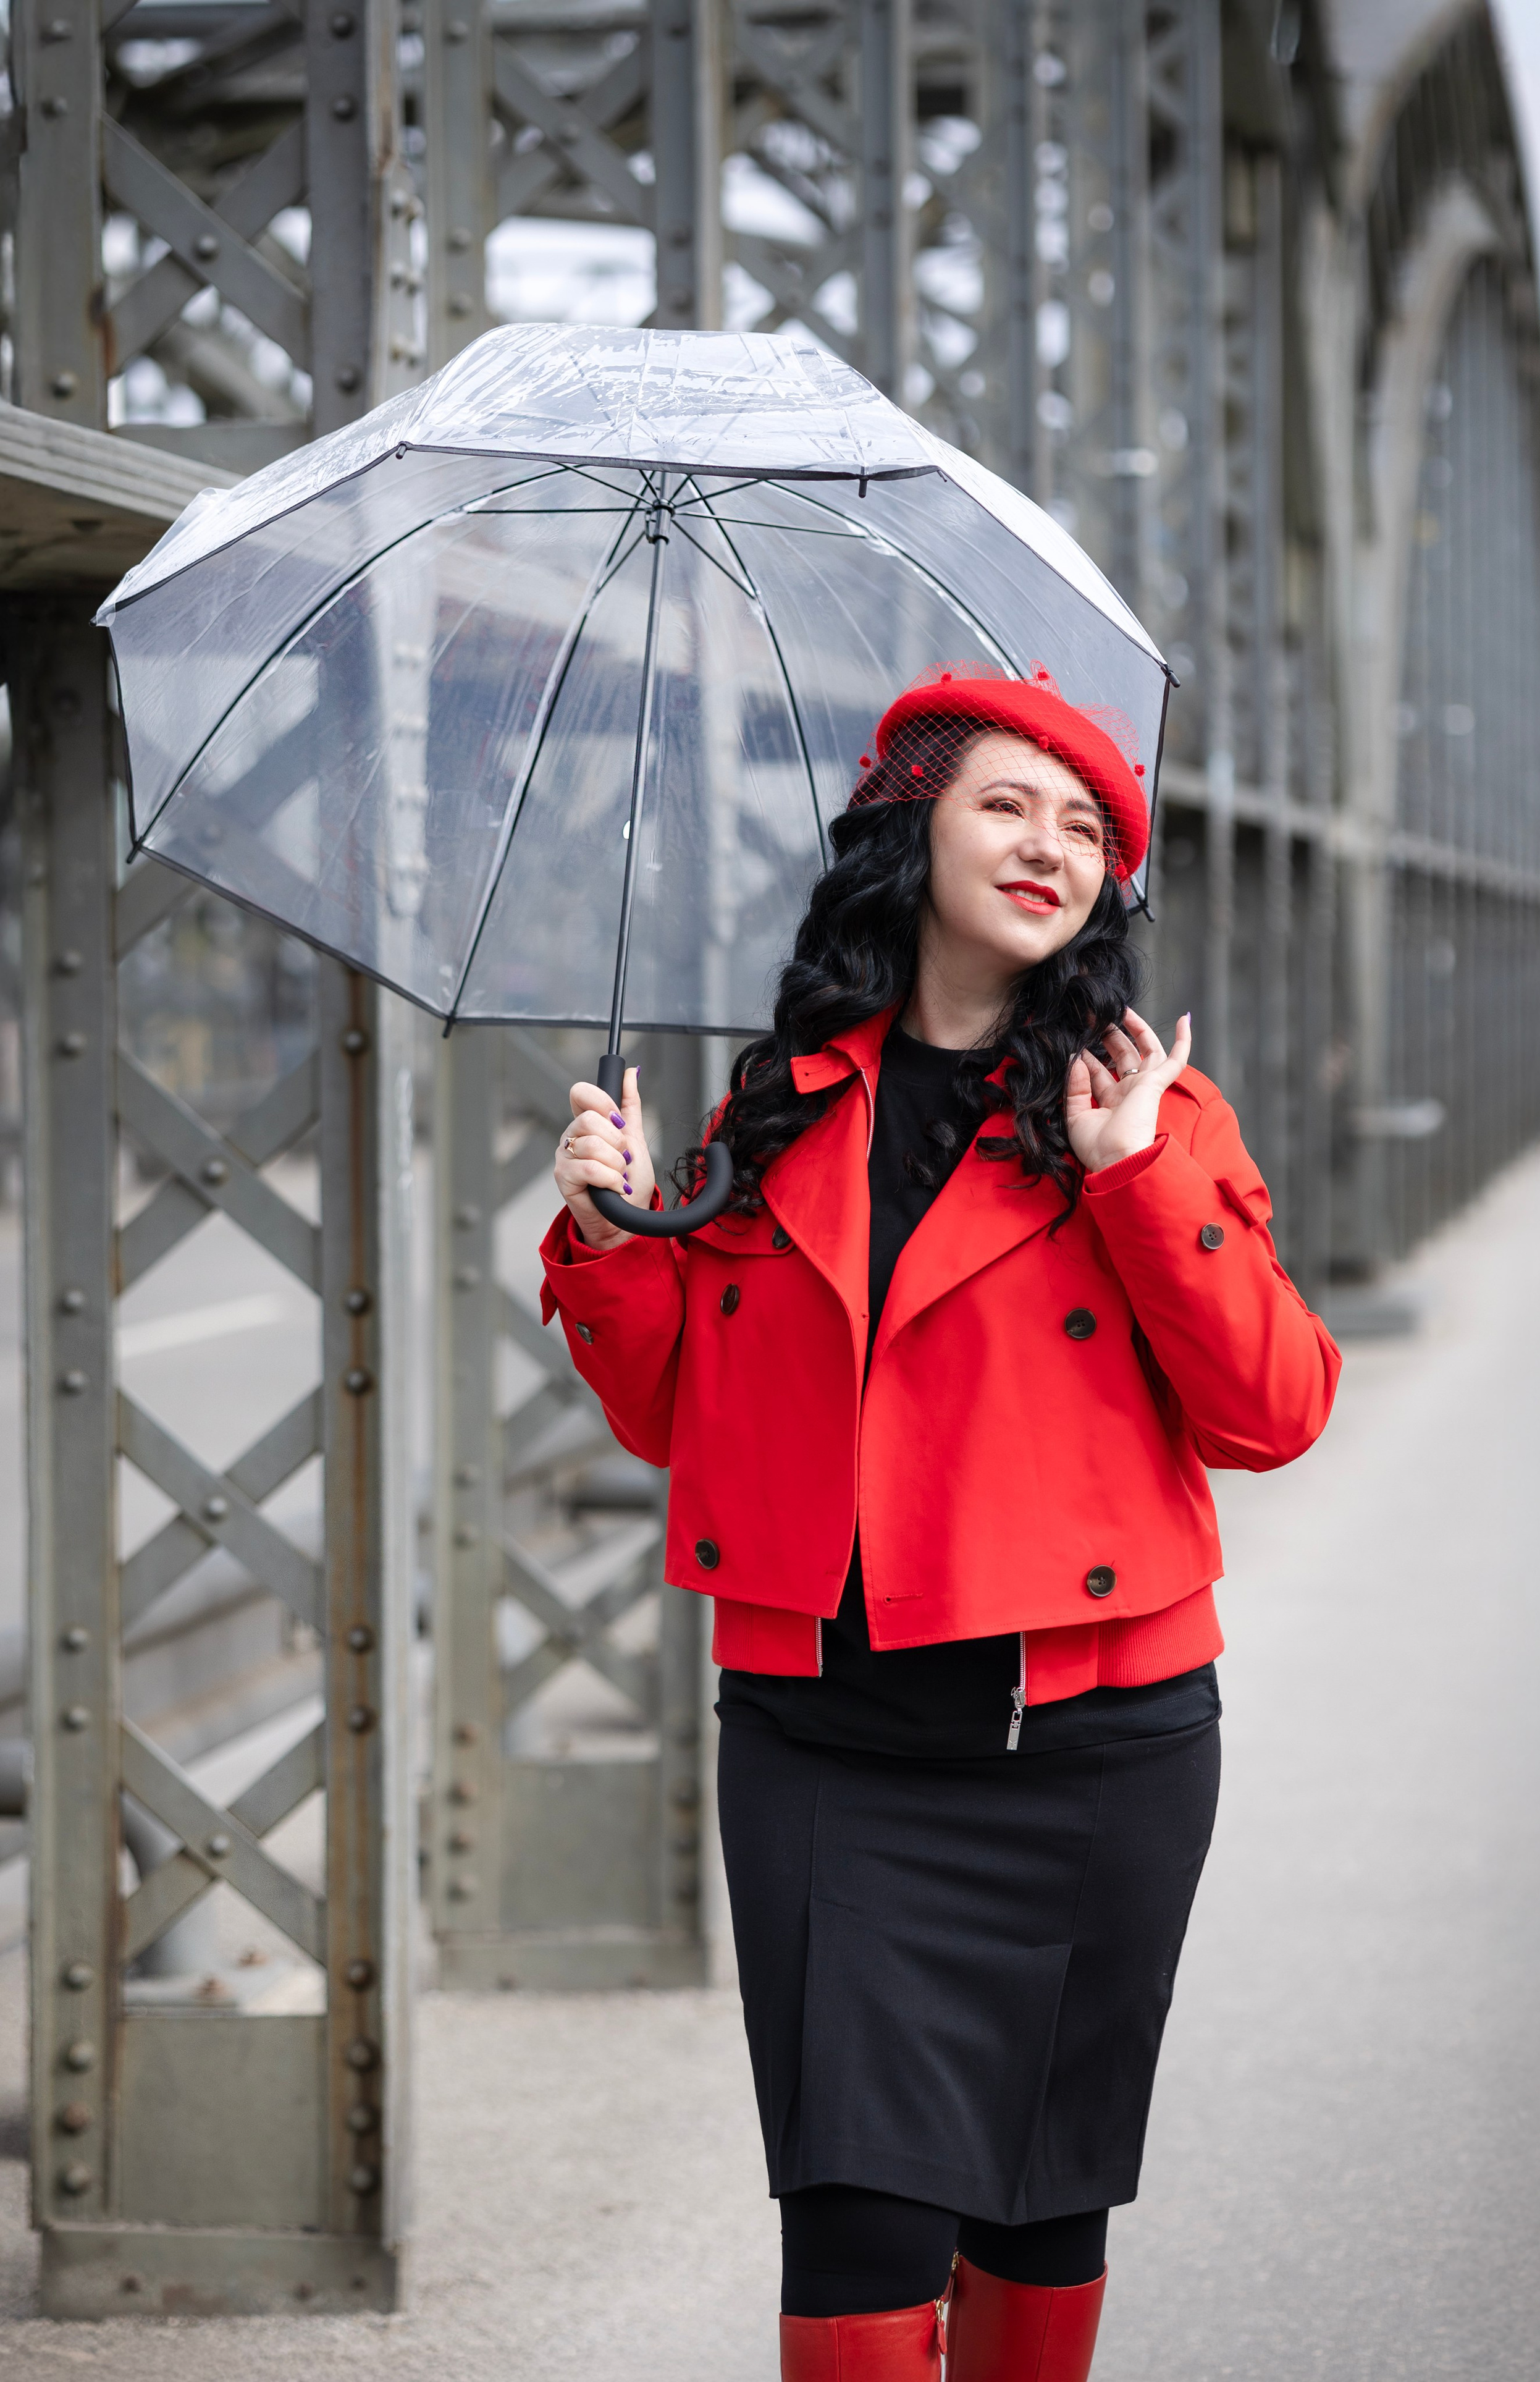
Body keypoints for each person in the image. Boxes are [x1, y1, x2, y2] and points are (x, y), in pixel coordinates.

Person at [541, 670, 1340, 2381]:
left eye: (1086, 827)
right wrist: (611, 1236)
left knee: (1037, 2209)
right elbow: (681, 1415)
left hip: (1088, 1744)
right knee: (855, 2226)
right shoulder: (774, 1107)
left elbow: (1275, 1411)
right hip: (827, 1746)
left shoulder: (1146, 1114)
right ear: (911, 826)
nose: (1050, 845)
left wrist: (1136, 1183)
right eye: (1007, 805)